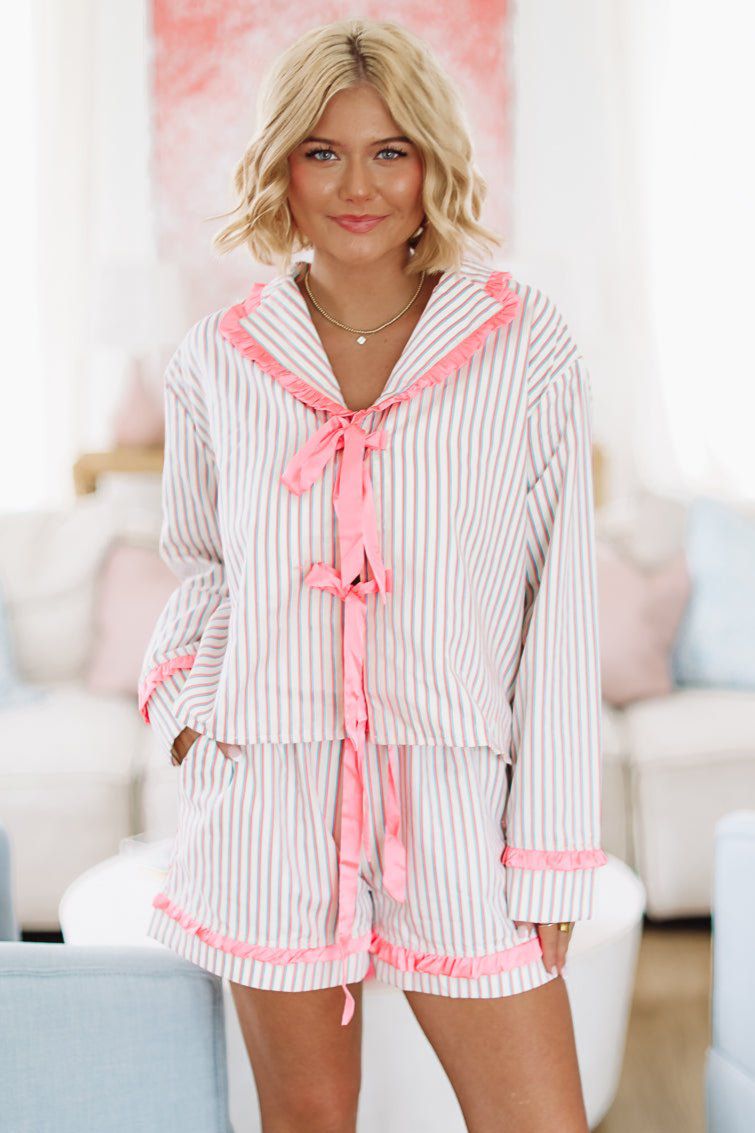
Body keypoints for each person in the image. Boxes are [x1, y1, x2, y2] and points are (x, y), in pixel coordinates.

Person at [137, 17, 607, 1133]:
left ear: (431, 164)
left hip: (456, 802)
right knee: (307, 1120)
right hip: (267, 795)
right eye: (323, 152)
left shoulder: (522, 344)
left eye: (390, 151)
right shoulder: (216, 359)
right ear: (282, 170)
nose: (358, 186)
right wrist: (196, 713)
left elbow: (561, 612)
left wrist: (548, 854)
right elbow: (198, 567)